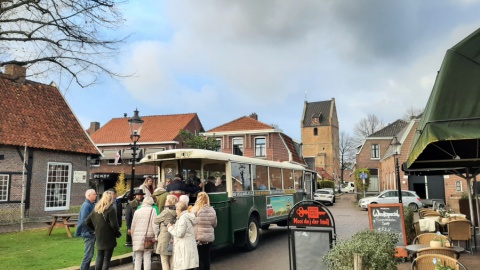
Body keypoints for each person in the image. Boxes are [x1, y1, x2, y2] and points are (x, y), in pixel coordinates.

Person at [85, 191, 120, 270]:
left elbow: (87, 221)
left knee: (100, 256)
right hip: (109, 236)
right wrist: (117, 231)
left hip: (99, 235)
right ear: (111, 199)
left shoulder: (96, 209)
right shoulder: (111, 209)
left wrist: (95, 228)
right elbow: (114, 225)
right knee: (107, 259)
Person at [167, 201, 199, 270]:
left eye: (176, 209)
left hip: (184, 248)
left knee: (185, 267)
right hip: (187, 247)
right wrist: (175, 227)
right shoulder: (186, 216)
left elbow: (180, 233)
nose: (175, 211)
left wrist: (170, 228)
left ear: (179, 209)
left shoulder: (183, 218)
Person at [131, 196, 159, 270]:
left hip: (137, 237)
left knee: (138, 257)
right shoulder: (153, 211)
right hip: (148, 237)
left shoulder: (137, 211)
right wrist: (156, 235)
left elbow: (133, 225)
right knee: (147, 256)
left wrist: (133, 236)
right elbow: (155, 225)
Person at [191, 192, 217, 270]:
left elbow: (191, 222)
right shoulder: (212, 210)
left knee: (199, 258)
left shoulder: (195, 209)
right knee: (206, 257)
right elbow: (215, 224)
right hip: (209, 238)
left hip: (198, 238)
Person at [154, 195, 178, 270]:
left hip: (165, 236)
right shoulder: (178, 210)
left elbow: (156, 220)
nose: (165, 201)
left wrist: (163, 223)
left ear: (169, 202)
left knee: (164, 259)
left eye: (166, 200)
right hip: (174, 235)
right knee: (172, 259)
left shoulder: (166, 211)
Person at [75, 189, 97, 270]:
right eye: (94, 194)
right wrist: (92, 230)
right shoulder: (86, 205)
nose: (96, 195)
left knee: (89, 255)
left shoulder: (90, 204)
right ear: (89, 196)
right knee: (88, 255)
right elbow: (85, 220)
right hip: (88, 233)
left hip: (90, 232)